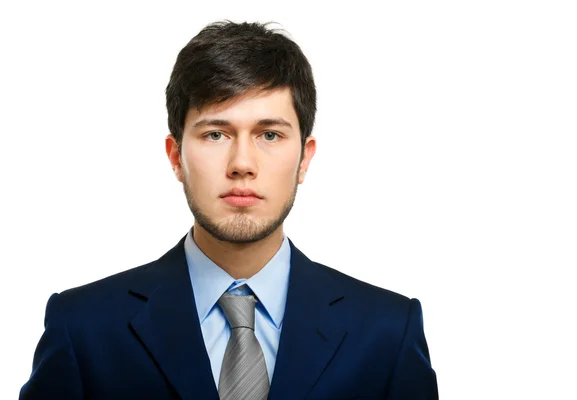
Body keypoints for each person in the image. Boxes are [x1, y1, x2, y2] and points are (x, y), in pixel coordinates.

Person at [20, 20, 438, 400]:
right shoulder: (84, 329)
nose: (242, 163)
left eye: (269, 135)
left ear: (304, 158)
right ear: (176, 156)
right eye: (216, 133)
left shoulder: (386, 332)